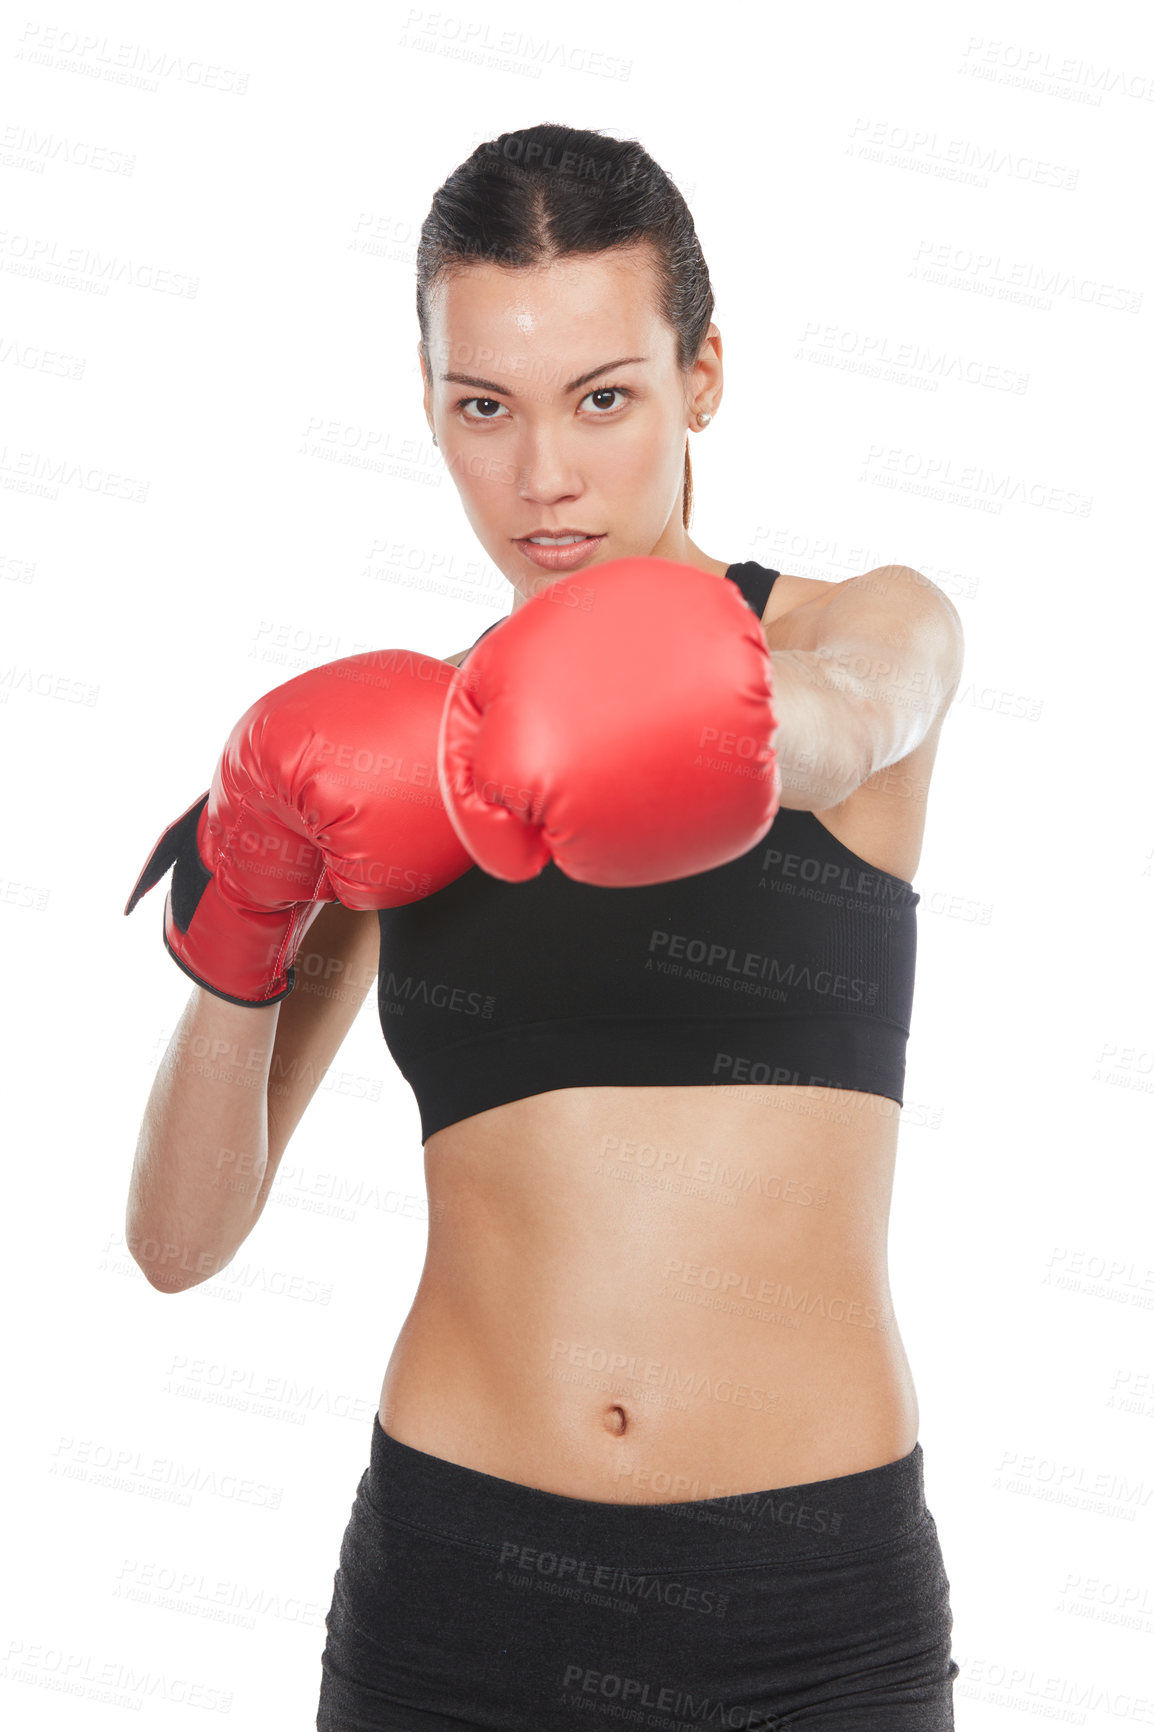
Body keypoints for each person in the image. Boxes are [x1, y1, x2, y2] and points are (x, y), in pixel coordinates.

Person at [125, 123, 965, 1729]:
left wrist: (700, 717)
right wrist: (243, 911)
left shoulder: (861, 625)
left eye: (604, 397)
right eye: (482, 410)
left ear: (700, 373)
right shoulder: (406, 764)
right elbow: (178, 1245)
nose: (546, 479)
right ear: (431, 406)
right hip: (457, 1593)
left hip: (809, 1606)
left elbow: (851, 723)